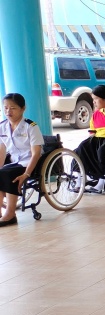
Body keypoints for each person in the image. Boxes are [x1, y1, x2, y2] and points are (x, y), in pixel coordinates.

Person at [0, 93, 44, 227]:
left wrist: (26, 174)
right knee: (2, 172)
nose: (8, 111)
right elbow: (2, 150)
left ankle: (11, 214)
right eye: (5, 108)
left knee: (7, 174)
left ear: (23, 109)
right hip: (14, 161)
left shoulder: (31, 126)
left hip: (29, 162)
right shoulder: (2, 126)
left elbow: (36, 153)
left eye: (12, 108)